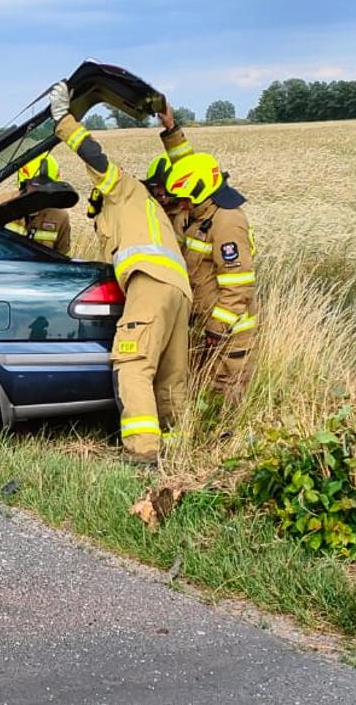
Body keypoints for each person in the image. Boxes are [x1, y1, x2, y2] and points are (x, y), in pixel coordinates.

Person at [46, 81, 192, 463]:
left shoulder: (122, 190)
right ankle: (177, 449)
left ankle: (142, 451)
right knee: (170, 376)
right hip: (179, 290)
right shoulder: (152, 209)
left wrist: (63, 121)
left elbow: (94, 155)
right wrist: (170, 129)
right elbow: (189, 165)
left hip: (150, 282)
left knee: (131, 362)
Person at [153, 107, 258, 403]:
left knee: (222, 395)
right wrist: (171, 130)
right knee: (199, 388)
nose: (180, 205)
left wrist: (217, 327)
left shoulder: (227, 222)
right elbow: (188, 166)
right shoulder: (202, 211)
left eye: (185, 199)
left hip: (229, 335)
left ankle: (224, 446)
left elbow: (239, 284)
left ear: (199, 194)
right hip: (204, 325)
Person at [3, 152, 74, 255]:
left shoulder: (60, 218)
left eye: (46, 187)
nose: (40, 191)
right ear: (24, 184)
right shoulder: (2, 205)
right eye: (35, 186)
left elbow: (63, 258)